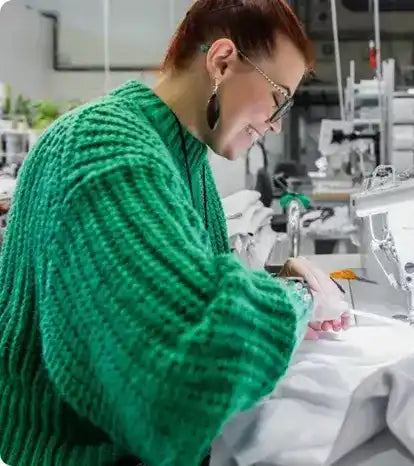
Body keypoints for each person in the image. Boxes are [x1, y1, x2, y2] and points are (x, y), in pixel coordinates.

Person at [0, 1, 350, 465]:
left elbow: (180, 288)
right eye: (279, 97)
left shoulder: (182, 157)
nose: (276, 123)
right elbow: (186, 370)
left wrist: (268, 281)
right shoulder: (104, 147)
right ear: (222, 61)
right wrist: (297, 298)